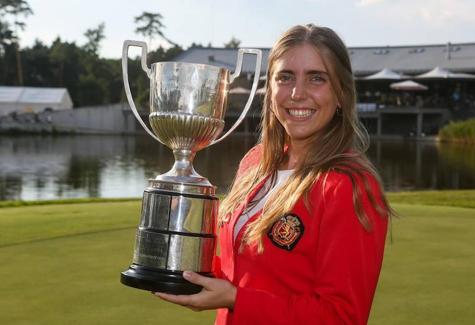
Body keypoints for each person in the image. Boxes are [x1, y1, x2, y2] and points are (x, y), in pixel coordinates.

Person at [154, 24, 393, 325]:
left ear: (341, 93)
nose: (297, 93)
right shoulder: (256, 163)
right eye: (285, 77)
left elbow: (341, 317)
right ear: (270, 90)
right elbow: (240, 269)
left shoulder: (347, 185)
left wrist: (236, 299)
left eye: (317, 78)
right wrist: (178, 267)